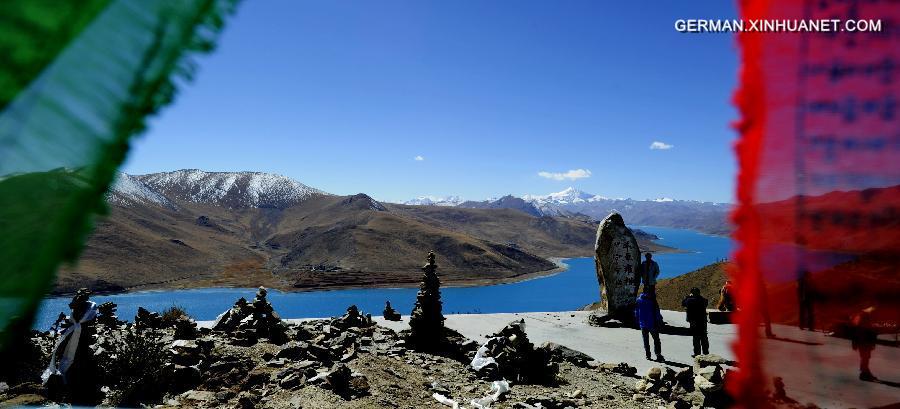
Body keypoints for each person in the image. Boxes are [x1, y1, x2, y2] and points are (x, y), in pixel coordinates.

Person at [851, 306, 878, 381]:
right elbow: (867, 331)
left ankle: (866, 373)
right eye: (872, 308)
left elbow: (856, 330)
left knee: (865, 358)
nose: (873, 310)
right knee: (865, 358)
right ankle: (864, 374)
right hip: (864, 341)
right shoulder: (864, 317)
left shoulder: (863, 316)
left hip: (864, 341)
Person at [635, 291, 664, 361]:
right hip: (652, 324)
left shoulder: (638, 300)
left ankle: (648, 355)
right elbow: (657, 312)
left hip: (642, 324)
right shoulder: (652, 301)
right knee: (656, 340)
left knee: (646, 340)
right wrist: (660, 320)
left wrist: (638, 321)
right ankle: (658, 354)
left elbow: (636, 312)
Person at [682, 287, 710, 356]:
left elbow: (683, 303)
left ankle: (697, 353)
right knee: (704, 337)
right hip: (703, 321)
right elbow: (706, 302)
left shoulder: (689, 300)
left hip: (693, 322)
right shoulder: (703, 300)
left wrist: (688, 297)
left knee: (696, 338)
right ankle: (706, 353)